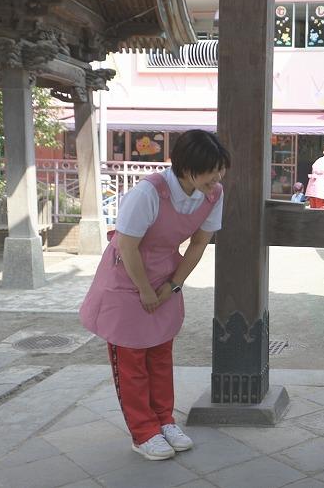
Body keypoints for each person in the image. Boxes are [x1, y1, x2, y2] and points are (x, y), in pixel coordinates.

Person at [79, 129, 229, 461]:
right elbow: (127, 245)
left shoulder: (213, 194)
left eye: (221, 169)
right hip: (125, 278)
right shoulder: (148, 193)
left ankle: (164, 421)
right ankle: (143, 432)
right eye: (211, 170)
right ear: (188, 167)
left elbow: (200, 243)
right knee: (131, 360)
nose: (218, 177)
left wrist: (174, 284)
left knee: (160, 354)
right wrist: (145, 290)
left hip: (165, 276)